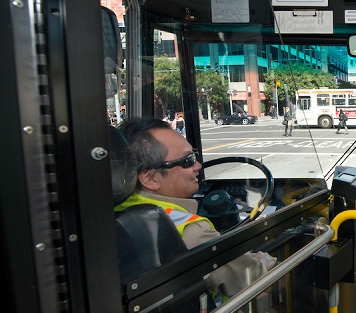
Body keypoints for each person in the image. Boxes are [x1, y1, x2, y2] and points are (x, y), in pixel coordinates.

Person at [116, 117, 276, 299]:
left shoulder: (118, 210)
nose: (198, 166)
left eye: (194, 156)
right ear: (150, 178)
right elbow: (256, 282)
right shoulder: (193, 230)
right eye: (187, 161)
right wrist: (261, 260)